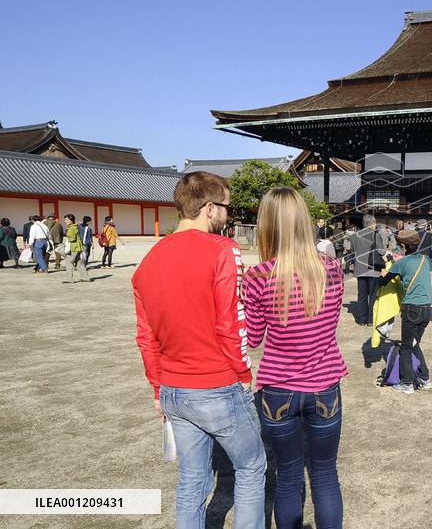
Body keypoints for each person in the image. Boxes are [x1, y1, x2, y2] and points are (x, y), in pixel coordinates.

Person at [134, 171, 266, 529]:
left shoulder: (148, 262)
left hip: (175, 388)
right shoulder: (223, 250)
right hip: (217, 384)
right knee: (251, 467)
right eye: (226, 206)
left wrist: (158, 388)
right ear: (210, 208)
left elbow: (146, 336)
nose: (228, 214)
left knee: (192, 480)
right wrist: (244, 375)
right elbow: (231, 322)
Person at [242, 187, 347, 529]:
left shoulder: (257, 278)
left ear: (266, 226)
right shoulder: (331, 268)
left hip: (278, 389)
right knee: (325, 474)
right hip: (325, 385)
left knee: (287, 476)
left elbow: (254, 339)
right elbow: (329, 326)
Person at [379, 229, 432, 394]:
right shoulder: (426, 260)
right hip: (427, 308)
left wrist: (384, 267)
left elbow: (383, 281)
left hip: (412, 308)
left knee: (406, 347)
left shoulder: (400, 263)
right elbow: (418, 268)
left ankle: (407, 383)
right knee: (414, 343)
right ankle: (425, 379)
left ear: (403, 246)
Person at [350, 214, 386, 326]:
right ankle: (370, 320)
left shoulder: (354, 236)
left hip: (360, 268)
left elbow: (352, 251)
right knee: (373, 295)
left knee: (362, 295)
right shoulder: (376, 235)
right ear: (372, 223)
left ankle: (361, 319)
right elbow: (381, 251)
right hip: (373, 268)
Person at [62, 214, 90, 283]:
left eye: (67, 219)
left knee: (69, 262)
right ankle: (86, 277)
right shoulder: (76, 226)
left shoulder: (71, 228)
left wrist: (67, 235)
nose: (65, 221)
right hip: (78, 247)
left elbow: (72, 238)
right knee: (79, 263)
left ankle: (70, 279)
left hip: (73, 247)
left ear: (71, 220)